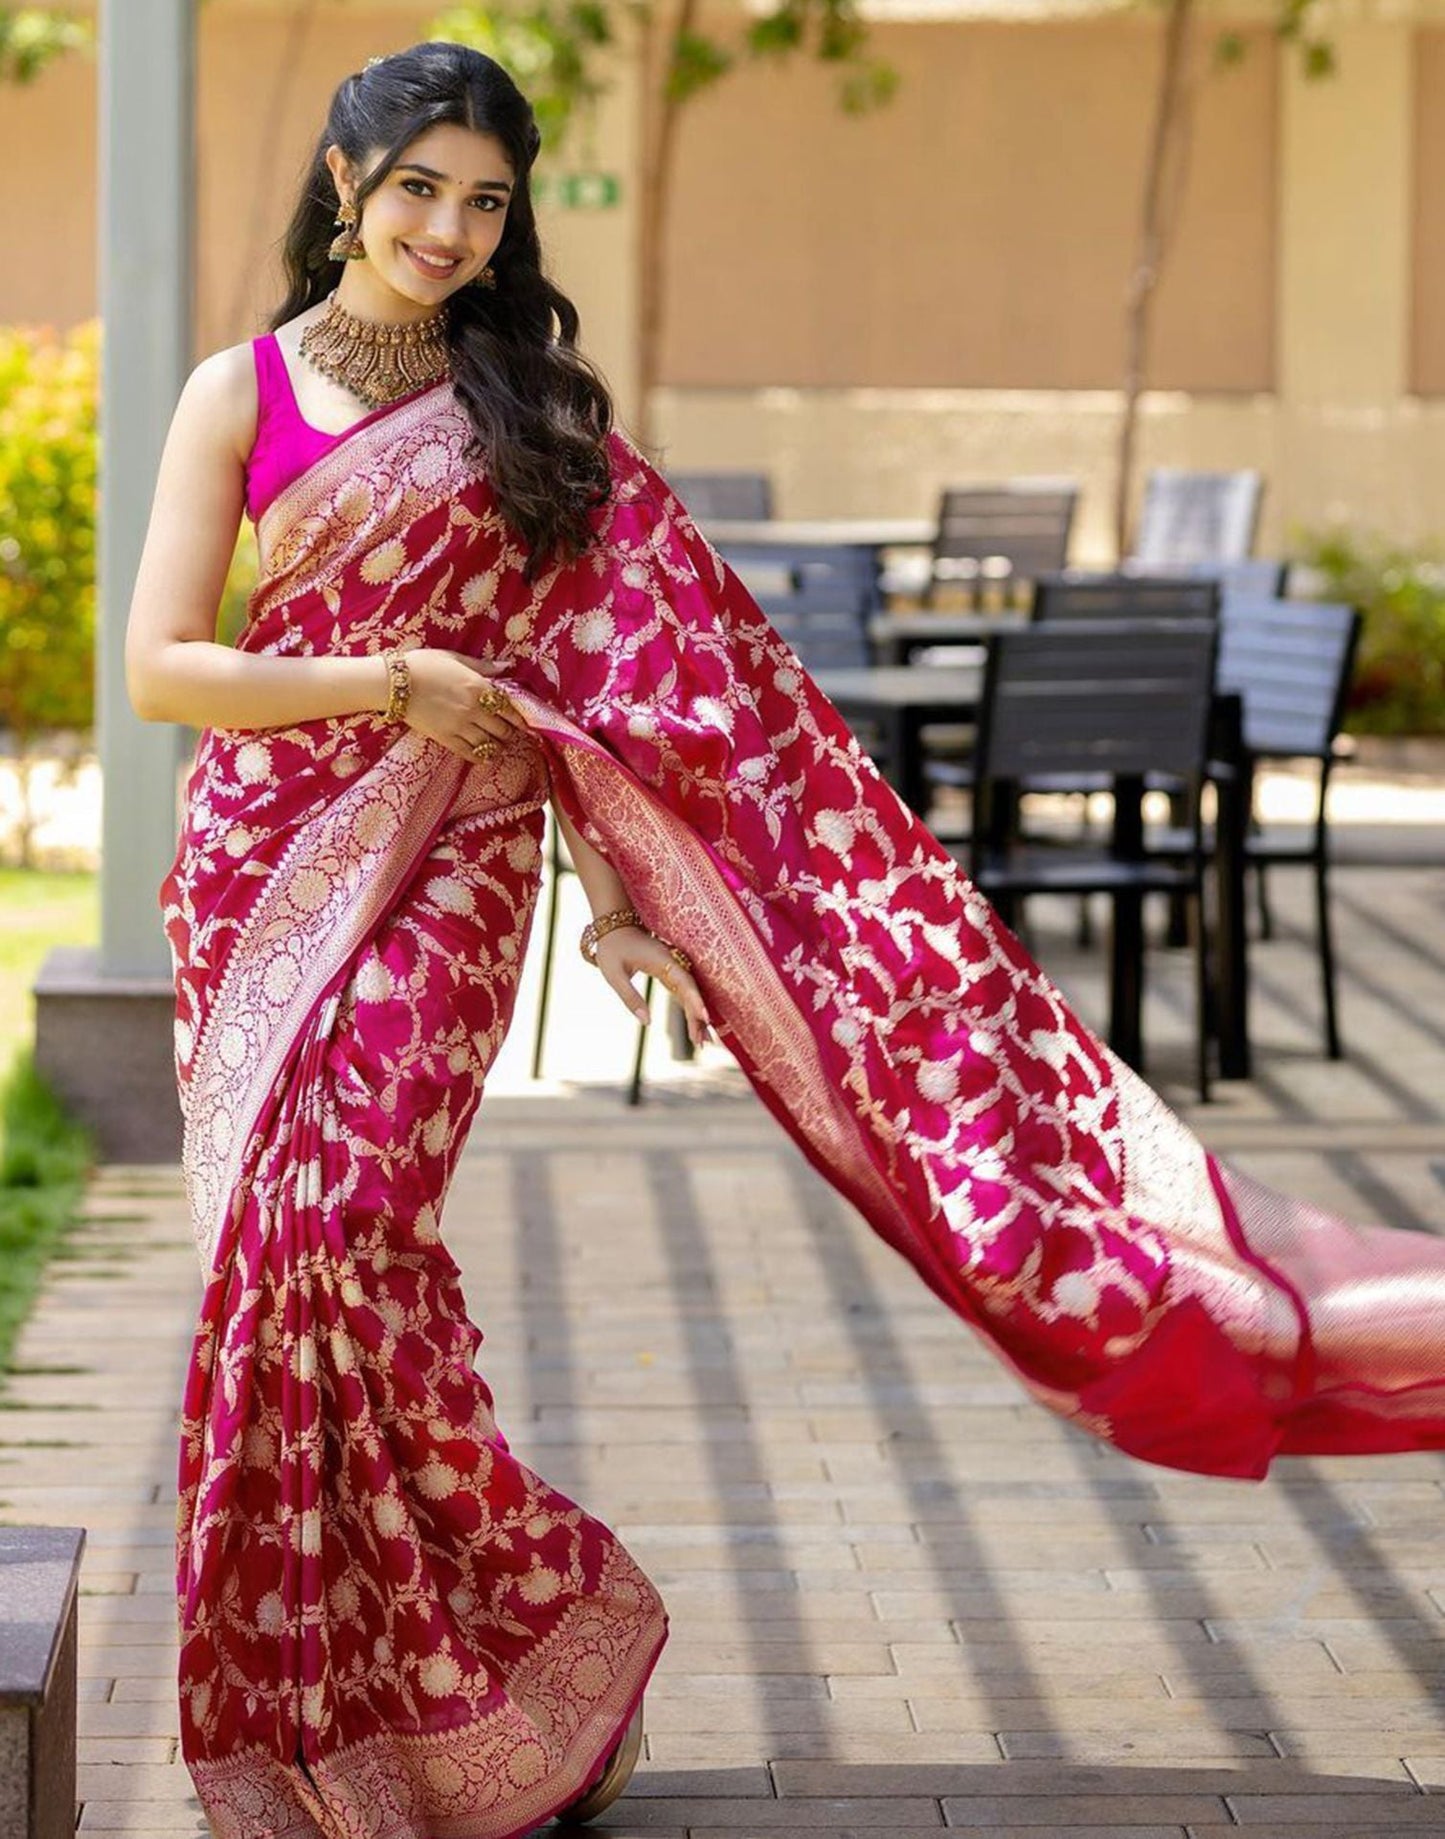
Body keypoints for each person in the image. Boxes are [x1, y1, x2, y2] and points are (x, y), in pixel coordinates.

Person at [125, 38, 1445, 1839]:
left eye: (485, 201)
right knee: (282, 1271)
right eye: (417, 187)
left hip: (457, 866)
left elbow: (633, 696)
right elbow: (164, 668)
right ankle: (429, 1693)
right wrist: (392, 681)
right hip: (261, 867)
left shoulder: (539, 420)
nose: (446, 228)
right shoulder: (240, 390)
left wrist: (624, 907)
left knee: (350, 1220)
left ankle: (496, 1645)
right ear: (344, 182)